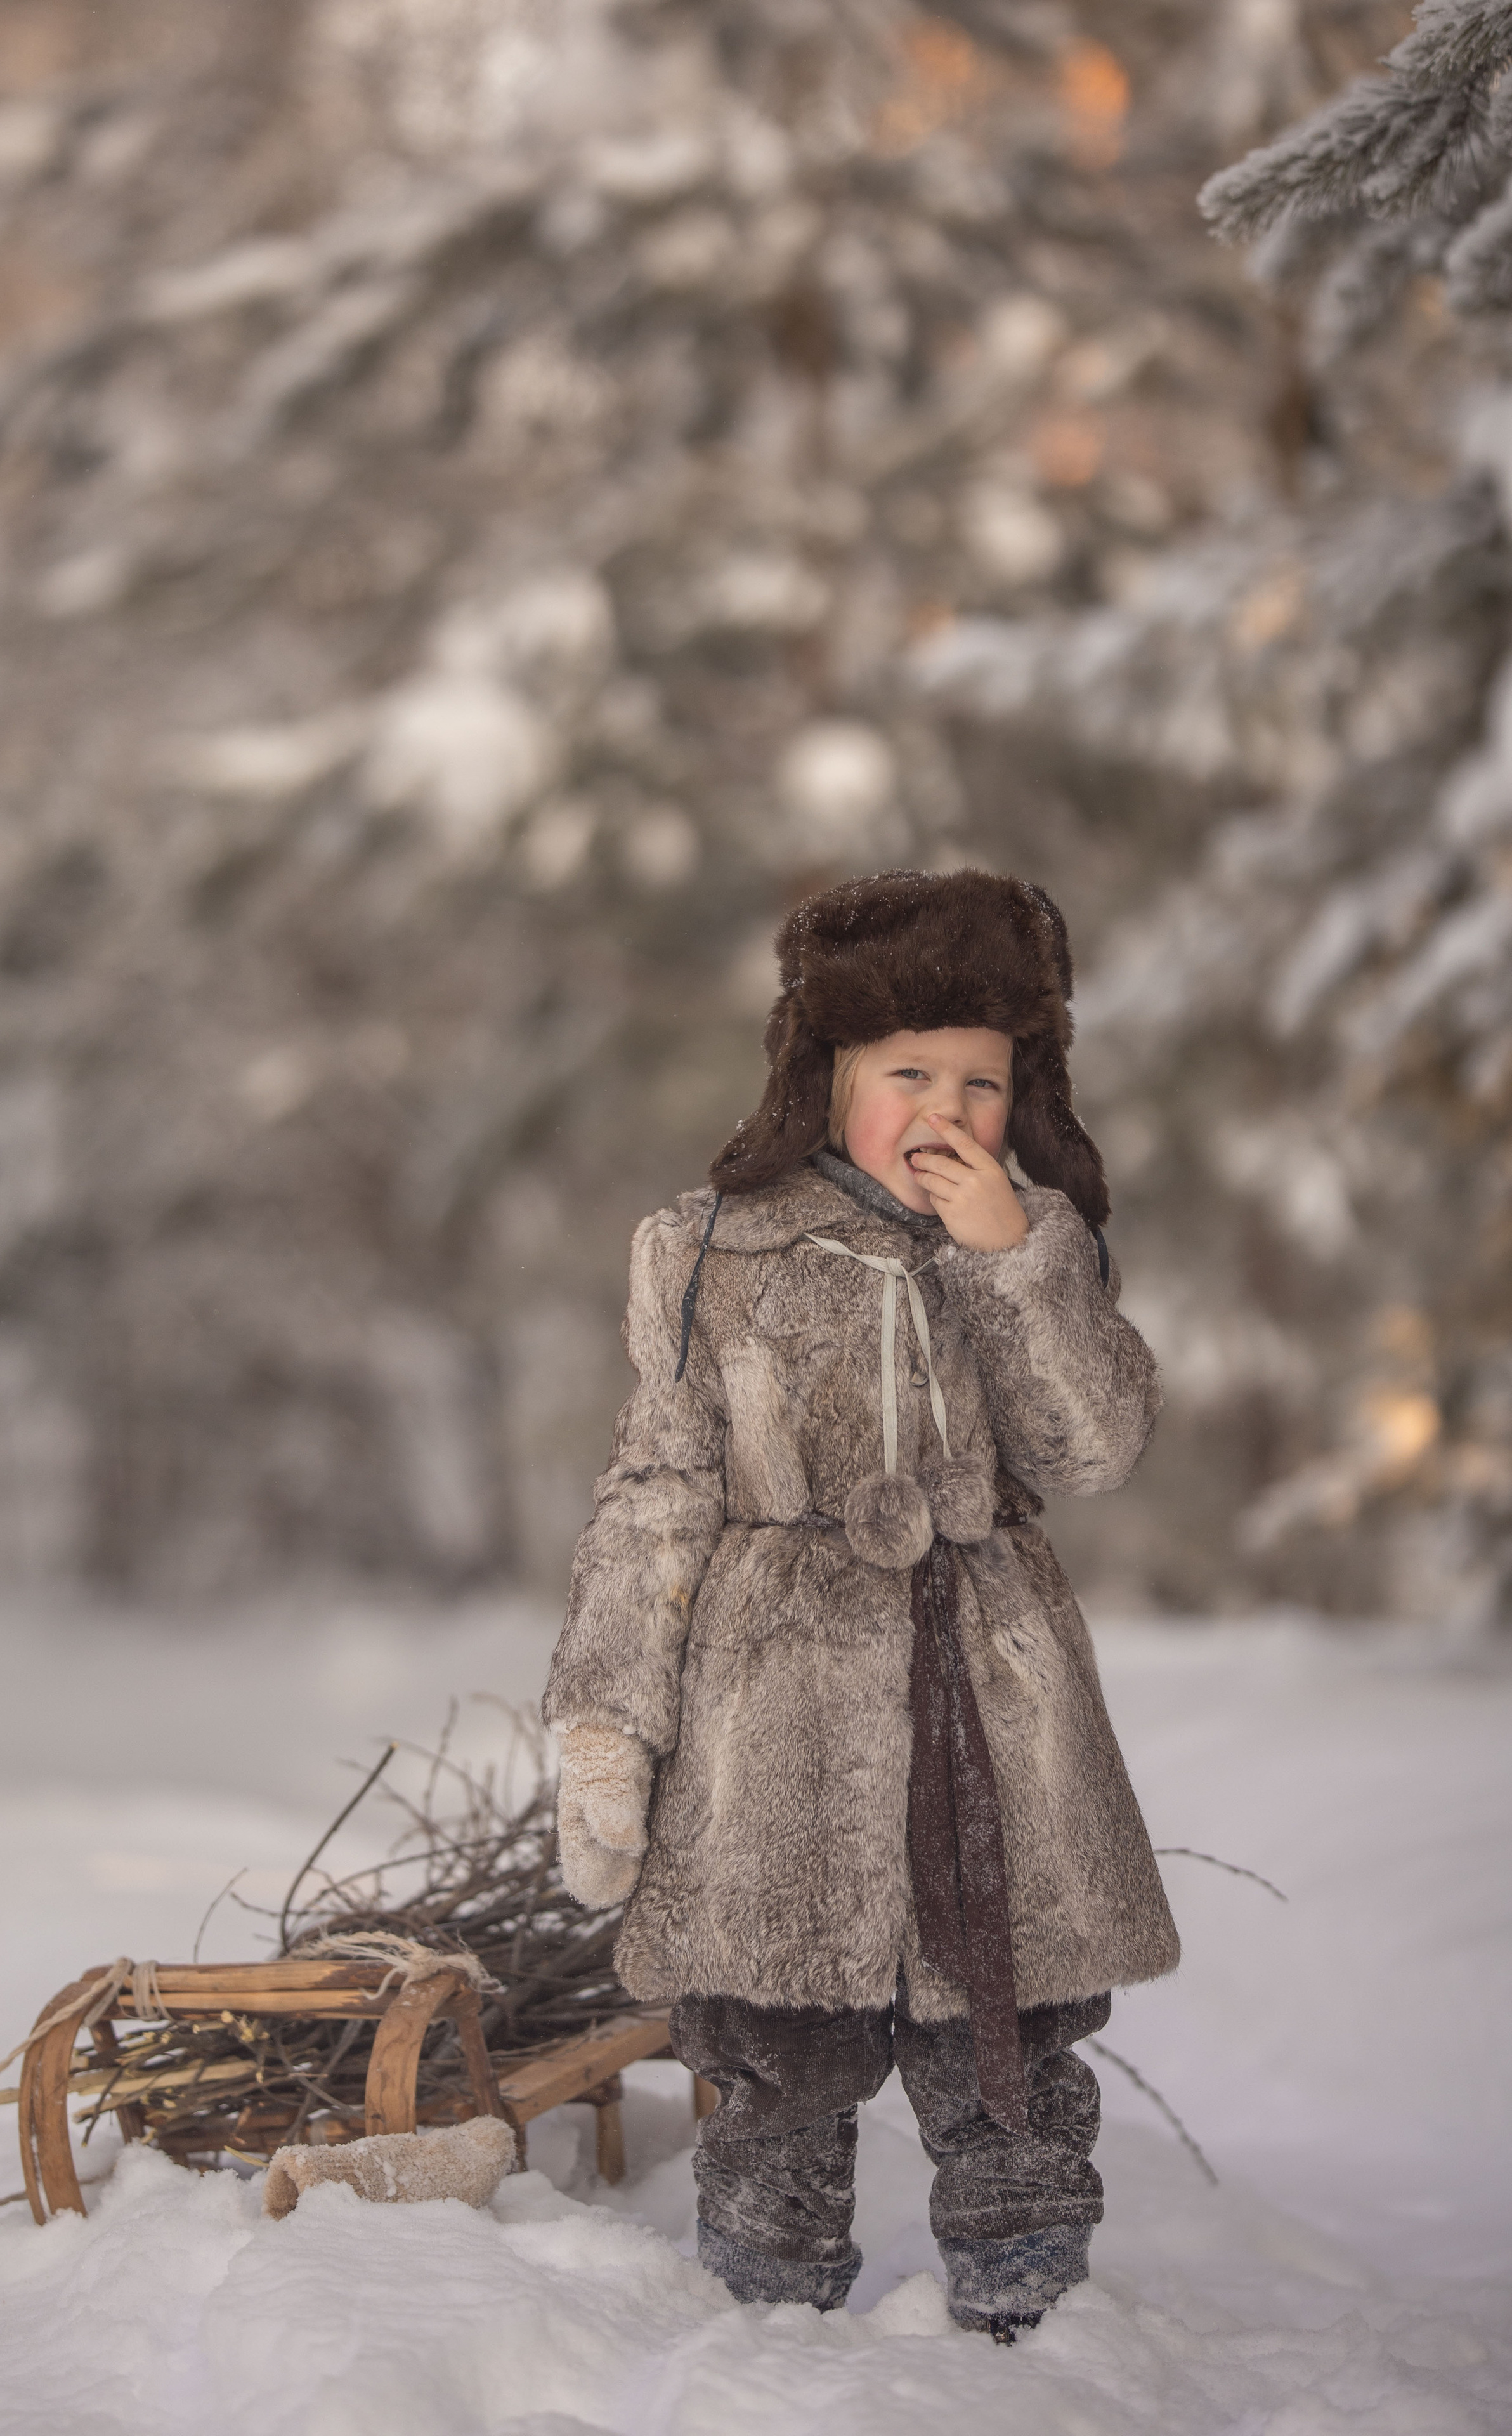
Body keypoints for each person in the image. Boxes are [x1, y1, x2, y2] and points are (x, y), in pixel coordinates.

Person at [542, 868, 1179, 2340]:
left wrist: (1012, 1265)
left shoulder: (1030, 1243)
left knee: (1003, 2035)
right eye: (907, 1075)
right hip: (776, 1713)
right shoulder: (709, 1249)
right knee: (778, 2041)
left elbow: (1091, 1447)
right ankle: (770, 2307)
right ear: (826, 1082)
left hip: (992, 1690)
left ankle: (1032, 2309)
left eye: (980, 1076)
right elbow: (656, 1492)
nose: (945, 1107)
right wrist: (606, 1719)